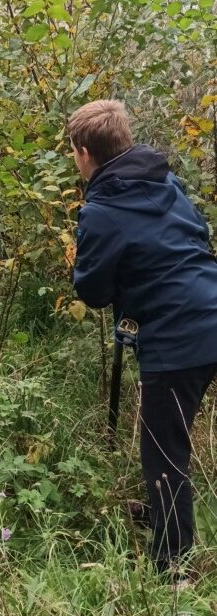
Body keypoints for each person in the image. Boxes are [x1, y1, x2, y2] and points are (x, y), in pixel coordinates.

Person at [68, 99, 217, 581]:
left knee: (163, 451)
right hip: (211, 306)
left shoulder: (101, 211)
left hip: (178, 338)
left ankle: (172, 567)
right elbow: (199, 234)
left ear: (84, 152)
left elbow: (91, 290)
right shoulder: (165, 182)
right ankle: (161, 516)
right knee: (171, 439)